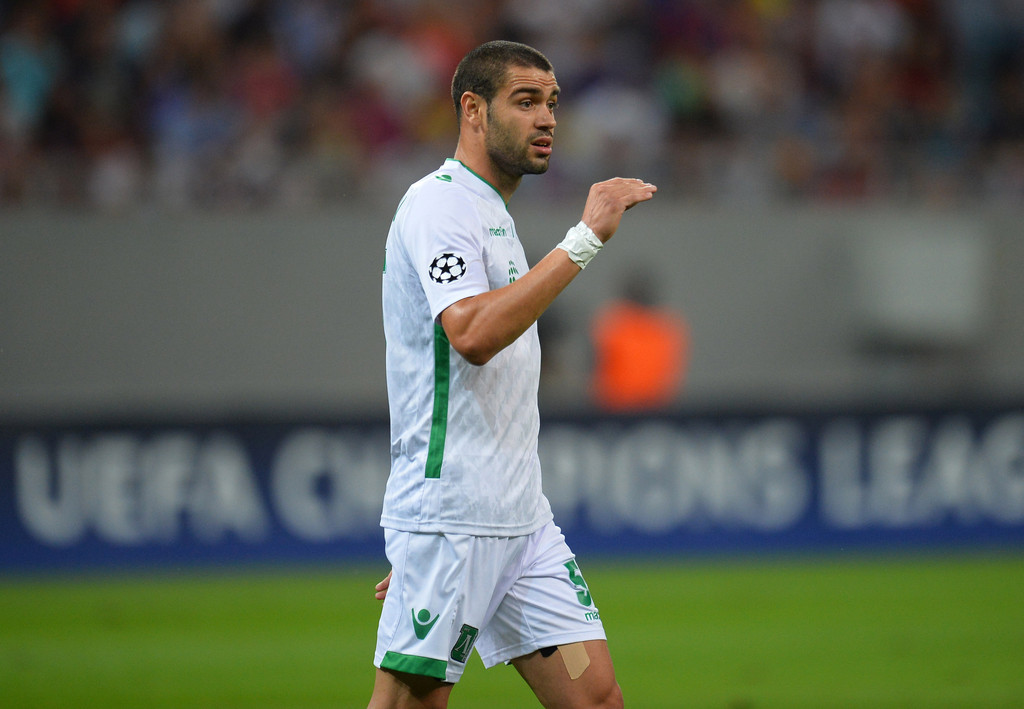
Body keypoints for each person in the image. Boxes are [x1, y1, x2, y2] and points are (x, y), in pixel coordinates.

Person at [370, 40, 656, 709]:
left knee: (596, 699)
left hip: (519, 521)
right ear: (473, 109)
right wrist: (584, 239)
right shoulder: (438, 205)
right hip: (453, 517)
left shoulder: (491, 212)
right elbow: (471, 334)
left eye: (552, 102)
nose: (547, 118)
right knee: (410, 702)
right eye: (525, 101)